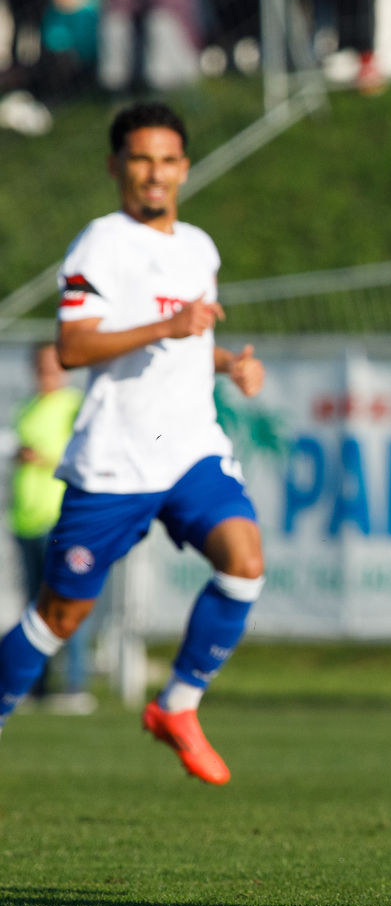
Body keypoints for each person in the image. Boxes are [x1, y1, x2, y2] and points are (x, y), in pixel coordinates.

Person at [0, 102, 267, 785]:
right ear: (116, 165)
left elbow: (189, 338)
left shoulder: (199, 247)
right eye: (141, 159)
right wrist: (165, 330)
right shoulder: (102, 243)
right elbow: (73, 344)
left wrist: (228, 362)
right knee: (61, 614)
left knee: (244, 561)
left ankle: (177, 706)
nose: (156, 174)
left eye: (168, 160)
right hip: (117, 459)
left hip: (188, 450)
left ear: (184, 167)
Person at [11, 343, 88, 712]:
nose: (46, 374)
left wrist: (41, 458)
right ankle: (36, 685)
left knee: (68, 599)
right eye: (40, 366)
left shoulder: (75, 405)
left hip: (58, 517)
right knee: (34, 606)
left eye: (52, 366)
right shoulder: (28, 406)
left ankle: (74, 685)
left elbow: (84, 454)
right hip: (25, 517)